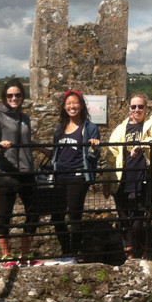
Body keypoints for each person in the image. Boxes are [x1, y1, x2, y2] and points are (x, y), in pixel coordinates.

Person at [103, 92, 152, 260]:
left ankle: (143, 250)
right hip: (122, 180)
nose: (137, 109)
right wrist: (106, 181)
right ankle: (130, 255)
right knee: (124, 218)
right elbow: (111, 156)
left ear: (146, 107)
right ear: (129, 108)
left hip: (142, 178)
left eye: (141, 106)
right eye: (134, 107)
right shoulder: (121, 128)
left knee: (139, 220)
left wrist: (141, 145)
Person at [0, 79, 42, 264]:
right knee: (5, 215)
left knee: (33, 214)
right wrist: (1, 148)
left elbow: (26, 143)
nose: (14, 98)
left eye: (17, 95)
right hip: (6, 173)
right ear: (4, 97)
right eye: (10, 95)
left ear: (22, 97)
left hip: (27, 172)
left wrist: (42, 149)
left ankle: (25, 256)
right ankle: (7, 256)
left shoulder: (25, 118)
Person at [48, 90, 100, 262]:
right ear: (64, 107)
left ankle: (75, 252)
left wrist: (94, 147)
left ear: (82, 106)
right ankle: (66, 250)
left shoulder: (90, 128)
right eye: (69, 103)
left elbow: (94, 155)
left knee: (74, 215)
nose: (72, 106)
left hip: (78, 176)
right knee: (56, 216)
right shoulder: (60, 129)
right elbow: (57, 153)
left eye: (75, 103)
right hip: (59, 176)